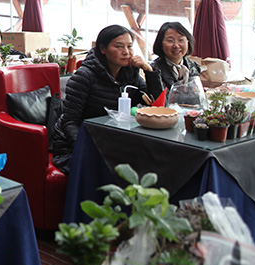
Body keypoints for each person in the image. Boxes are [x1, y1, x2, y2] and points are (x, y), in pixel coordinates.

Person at [51, 25, 163, 173]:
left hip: (113, 141)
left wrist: (149, 71)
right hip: (78, 145)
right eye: (119, 46)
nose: (126, 52)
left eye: (129, 46)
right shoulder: (84, 77)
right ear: (103, 49)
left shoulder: (130, 74)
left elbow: (156, 104)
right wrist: (86, 148)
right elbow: (70, 122)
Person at [151, 22, 201, 89]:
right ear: (161, 44)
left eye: (181, 40)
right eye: (170, 41)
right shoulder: (154, 70)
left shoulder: (193, 67)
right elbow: (159, 94)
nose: (176, 46)